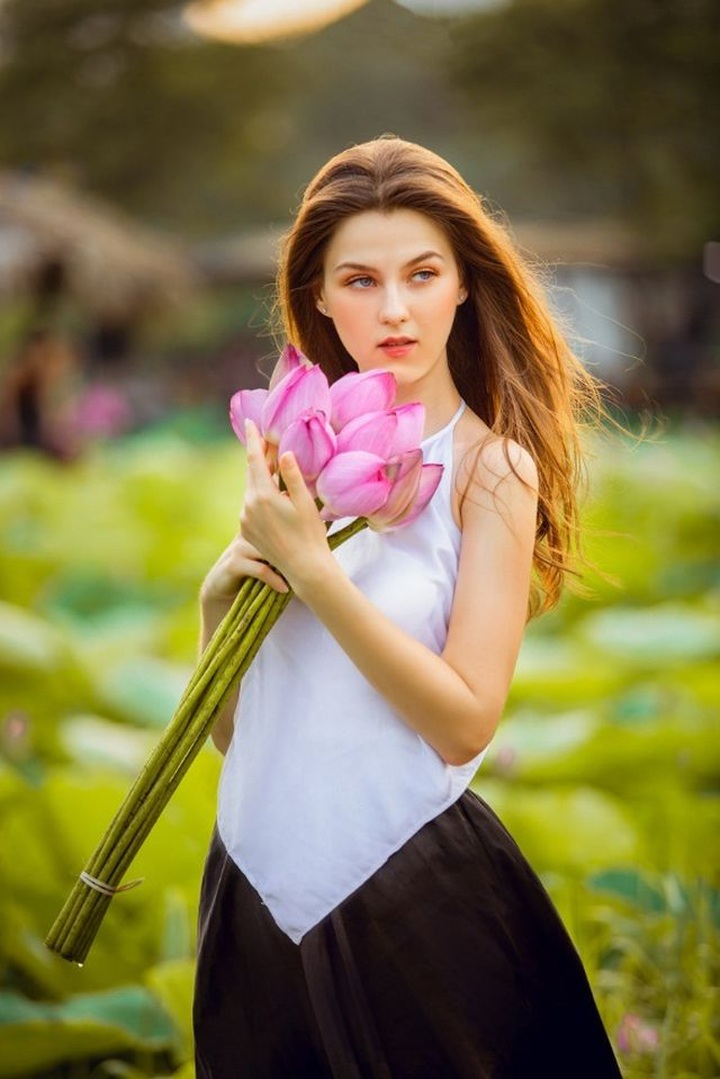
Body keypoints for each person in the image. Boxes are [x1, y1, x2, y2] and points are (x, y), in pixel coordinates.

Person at [193, 136, 622, 1078]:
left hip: (409, 888)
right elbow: (246, 735)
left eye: (422, 274)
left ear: (463, 283)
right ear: (316, 294)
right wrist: (214, 605)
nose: (393, 309)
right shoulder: (292, 448)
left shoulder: (490, 469)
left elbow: (466, 722)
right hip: (254, 888)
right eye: (358, 280)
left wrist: (320, 575)